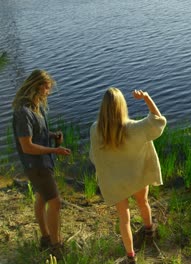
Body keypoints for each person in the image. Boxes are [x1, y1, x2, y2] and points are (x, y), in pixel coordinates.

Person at [89, 88, 166, 264]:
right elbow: (158, 122)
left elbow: (95, 157)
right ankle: (149, 231)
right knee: (143, 202)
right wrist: (147, 98)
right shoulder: (133, 128)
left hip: (116, 182)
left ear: (103, 108)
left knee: (124, 219)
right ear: (122, 106)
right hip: (137, 177)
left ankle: (131, 257)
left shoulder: (95, 129)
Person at [12, 69, 71, 258]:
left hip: (42, 163)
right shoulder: (24, 112)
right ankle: (56, 245)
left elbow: (36, 135)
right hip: (35, 165)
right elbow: (27, 146)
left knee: (41, 198)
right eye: (47, 88)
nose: (48, 92)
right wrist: (54, 150)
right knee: (55, 202)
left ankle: (45, 238)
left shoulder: (36, 106)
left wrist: (52, 136)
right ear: (37, 86)